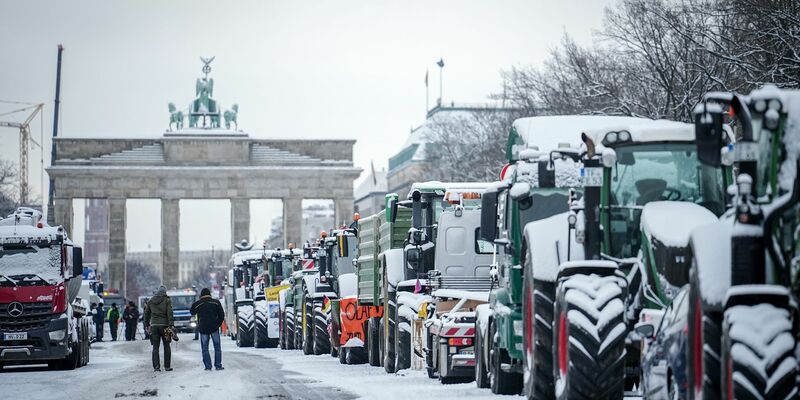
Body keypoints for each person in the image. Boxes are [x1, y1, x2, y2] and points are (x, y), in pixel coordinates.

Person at [190, 288, 225, 371]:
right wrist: (218, 324)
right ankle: (218, 365)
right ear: (210, 294)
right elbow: (221, 315)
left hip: (203, 328)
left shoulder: (198, 304)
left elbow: (192, 312)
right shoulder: (216, 302)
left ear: (201, 295)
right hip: (214, 328)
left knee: (205, 348)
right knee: (217, 347)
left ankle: (208, 366)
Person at [144, 286, 174, 372]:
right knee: (167, 346)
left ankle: (156, 367)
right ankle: (167, 366)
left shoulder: (151, 301)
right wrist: (171, 324)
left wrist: (147, 325)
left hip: (154, 326)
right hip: (166, 326)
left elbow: (146, 314)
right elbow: (170, 313)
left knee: (155, 347)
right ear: (165, 292)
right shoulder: (167, 300)